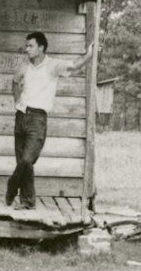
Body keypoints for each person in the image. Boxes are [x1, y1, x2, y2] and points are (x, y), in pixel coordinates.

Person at [5, 31, 93, 209]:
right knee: (23, 162)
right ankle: (28, 202)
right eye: (26, 46)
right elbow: (15, 82)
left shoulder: (53, 66)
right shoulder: (24, 66)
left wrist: (90, 54)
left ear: (41, 47)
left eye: (30, 46)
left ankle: (11, 186)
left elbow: (75, 66)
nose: (27, 49)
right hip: (21, 116)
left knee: (27, 160)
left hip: (38, 119)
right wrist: (16, 101)